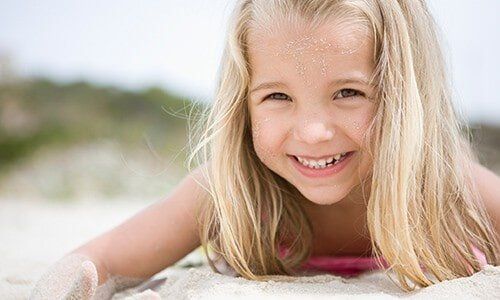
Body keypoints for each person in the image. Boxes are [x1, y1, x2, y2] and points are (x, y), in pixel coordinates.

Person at [30, 0, 500, 298]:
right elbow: (102, 261)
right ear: (244, 106)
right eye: (278, 97)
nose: (313, 132)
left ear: (404, 98)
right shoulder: (229, 192)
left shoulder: (448, 187)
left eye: (348, 93)